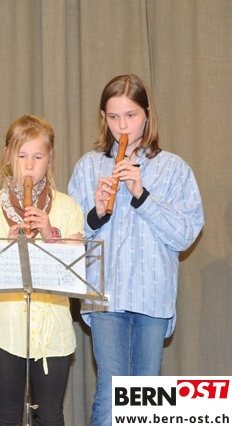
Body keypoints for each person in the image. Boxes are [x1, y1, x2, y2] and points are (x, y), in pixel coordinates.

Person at [68, 74, 204, 426]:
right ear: (103, 117)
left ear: (146, 114)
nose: (122, 126)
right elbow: (68, 238)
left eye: (131, 115)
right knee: (111, 389)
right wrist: (97, 212)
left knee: (144, 395)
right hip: (105, 296)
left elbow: (185, 235)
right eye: (114, 117)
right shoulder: (88, 166)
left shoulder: (174, 169)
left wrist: (142, 195)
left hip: (152, 296)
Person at [0, 115, 84, 426]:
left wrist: (50, 234)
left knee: (49, 416)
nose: (29, 166)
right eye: (21, 156)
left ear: (50, 159)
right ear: (8, 156)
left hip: (53, 332)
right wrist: (5, 248)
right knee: (7, 415)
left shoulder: (68, 208)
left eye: (38, 157)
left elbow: (76, 274)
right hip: (5, 330)